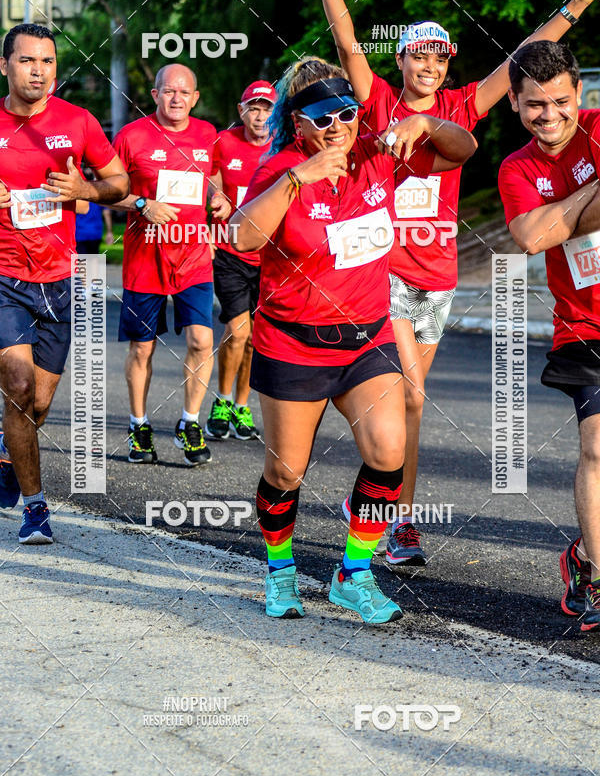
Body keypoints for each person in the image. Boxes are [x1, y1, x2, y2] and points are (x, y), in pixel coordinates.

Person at [301, 0, 600, 565]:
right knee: (405, 393)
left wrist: (575, 7)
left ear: (447, 62)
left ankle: (388, 511)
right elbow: (349, 43)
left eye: (439, 56)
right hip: (384, 272)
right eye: (418, 54)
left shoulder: (463, 108)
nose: (429, 64)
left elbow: (523, 60)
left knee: (411, 405)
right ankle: (391, 516)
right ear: (402, 60)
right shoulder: (377, 102)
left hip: (436, 277)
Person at [230, 57, 476, 621]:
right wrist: (300, 177)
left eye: (347, 113)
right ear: (298, 123)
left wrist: (428, 125)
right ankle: (280, 570)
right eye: (323, 118)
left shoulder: (376, 155)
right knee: (286, 473)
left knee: (388, 453)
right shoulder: (281, 170)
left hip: (367, 336)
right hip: (294, 342)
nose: (337, 125)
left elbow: (463, 151)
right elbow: (242, 235)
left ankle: (353, 573)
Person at [0, 23, 129, 543]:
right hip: (5, 275)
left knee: (41, 404)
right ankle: (36, 507)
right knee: (18, 387)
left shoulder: (77, 122)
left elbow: (119, 183)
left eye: (48, 61)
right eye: (28, 60)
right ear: (5, 65)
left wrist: (85, 188)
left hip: (61, 278)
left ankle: (9, 445)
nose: (39, 70)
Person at [498, 41, 600, 632]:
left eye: (561, 101)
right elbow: (532, 238)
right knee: (597, 448)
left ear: (579, 94)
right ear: (514, 102)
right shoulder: (517, 169)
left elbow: (548, 224)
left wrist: (560, 212)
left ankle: (583, 555)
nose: (550, 115)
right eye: (535, 104)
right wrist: (589, 193)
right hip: (585, 328)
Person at [111, 63, 228, 466]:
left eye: (184, 92)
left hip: (194, 258)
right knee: (142, 348)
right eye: (168, 91)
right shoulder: (132, 136)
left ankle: (189, 423)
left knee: (202, 341)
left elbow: (214, 177)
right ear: (156, 94)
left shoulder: (207, 134)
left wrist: (220, 198)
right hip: (145, 260)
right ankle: (139, 425)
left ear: (195, 98)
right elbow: (106, 191)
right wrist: (141, 204)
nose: (176, 98)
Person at [205, 80, 277, 441]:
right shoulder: (223, 142)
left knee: (256, 339)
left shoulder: (285, 146)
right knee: (238, 331)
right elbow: (212, 188)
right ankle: (222, 398)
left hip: (272, 259)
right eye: (255, 107)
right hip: (231, 253)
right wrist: (214, 205)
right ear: (241, 110)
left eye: (267, 108)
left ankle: (242, 405)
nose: (260, 115)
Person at [75, 166, 114, 254]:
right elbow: (107, 213)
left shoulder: (76, 191)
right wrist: (109, 232)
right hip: (95, 233)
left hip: (79, 233)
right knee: (93, 264)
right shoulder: (99, 191)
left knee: (81, 265)